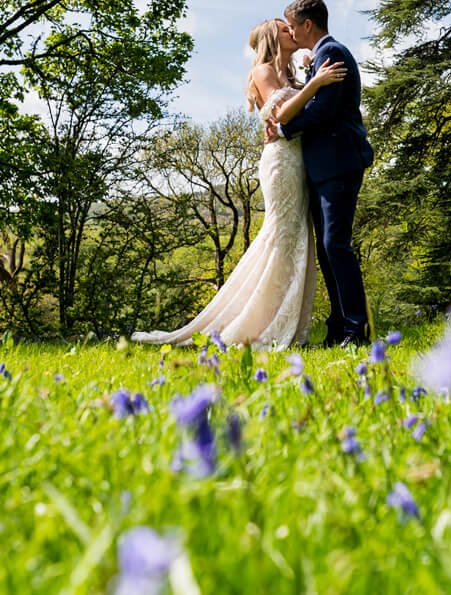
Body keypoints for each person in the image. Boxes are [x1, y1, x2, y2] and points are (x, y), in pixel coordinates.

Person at [131, 19, 348, 350]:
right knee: (281, 236)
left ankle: (281, 321)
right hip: (280, 162)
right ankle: (259, 324)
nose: (291, 30)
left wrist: (307, 80)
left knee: (296, 237)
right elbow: (286, 113)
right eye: (283, 27)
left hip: (299, 161)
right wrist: (315, 83)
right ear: (271, 38)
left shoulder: (291, 73)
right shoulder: (263, 71)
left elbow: (302, 115)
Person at [277, 0, 373, 348]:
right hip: (323, 166)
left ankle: (357, 328)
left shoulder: (331, 53)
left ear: (306, 25)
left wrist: (285, 128)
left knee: (336, 244)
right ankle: (338, 327)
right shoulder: (320, 57)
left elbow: (324, 111)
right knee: (326, 249)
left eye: (291, 25)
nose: (289, 31)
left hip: (339, 161)